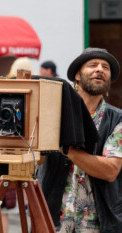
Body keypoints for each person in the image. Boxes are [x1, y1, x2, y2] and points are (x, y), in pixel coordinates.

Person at [40, 48, 122, 233]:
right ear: (77, 75)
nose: (99, 69)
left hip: (99, 225)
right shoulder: (54, 115)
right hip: (53, 221)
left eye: (105, 67)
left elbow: (110, 170)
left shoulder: (118, 120)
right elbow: (35, 161)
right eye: (93, 65)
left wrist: (66, 148)